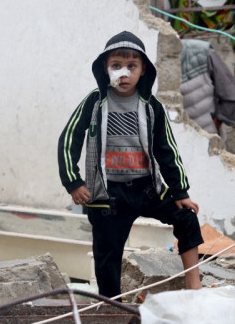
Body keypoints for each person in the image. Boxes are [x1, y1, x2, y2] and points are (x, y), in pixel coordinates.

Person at [57, 31, 204, 298]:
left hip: (146, 190)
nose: (123, 73)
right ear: (105, 68)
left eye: (131, 66)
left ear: (142, 70)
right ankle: (112, 306)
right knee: (107, 254)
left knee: (186, 218)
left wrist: (180, 192)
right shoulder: (94, 102)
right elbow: (69, 140)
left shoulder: (151, 106)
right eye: (116, 66)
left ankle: (195, 288)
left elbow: (167, 150)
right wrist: (73, 182)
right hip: (108, 195)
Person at [180, 39, 235, 141]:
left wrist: (216, 124)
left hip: (207, 137)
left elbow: (230, 90)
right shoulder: (155, 55)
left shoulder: (201, 52)